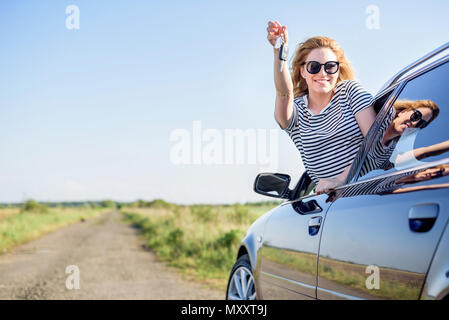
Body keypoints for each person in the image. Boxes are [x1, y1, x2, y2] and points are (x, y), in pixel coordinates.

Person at [267, 21, 377, 194]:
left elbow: (377, 143)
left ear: (338, 70)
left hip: (372, 192)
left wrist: (339, 179)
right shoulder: (297, 114)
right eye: (314, 67)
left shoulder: (350, 92)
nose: (323, 73)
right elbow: (284, 94)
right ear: (303, 71)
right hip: (335, 205)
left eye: (330, 66)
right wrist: (278, 53)